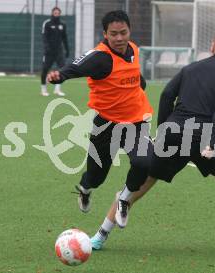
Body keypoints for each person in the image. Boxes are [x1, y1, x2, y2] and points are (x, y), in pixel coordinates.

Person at [90, 32, 215, 252]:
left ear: (213, 46)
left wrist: (163, 130)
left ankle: (99, 237)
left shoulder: (190, 68)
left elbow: (167, 95)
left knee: (142, 182)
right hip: (202, 135)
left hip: (173, 130)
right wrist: (212, 141)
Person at [47, 10, 153, 227]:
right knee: (96, 176)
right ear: (105, 34)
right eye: (114, 34)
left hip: (136, 121)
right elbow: (77, 66)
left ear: (129, 30)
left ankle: (124, 199)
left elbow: (134, 75)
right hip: (106, 125)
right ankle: (85, 189)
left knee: (145, 162)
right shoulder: (100, 57)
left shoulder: (133, 49)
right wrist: (60, 75)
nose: (120, 38)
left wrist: (140, 85)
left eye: (123, 32)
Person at [41, 7, 70, 97]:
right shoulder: (47, 23)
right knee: (45, 69)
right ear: (52, 13)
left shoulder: (62, 24)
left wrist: (67, 49)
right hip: (49, 52)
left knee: (62, 70)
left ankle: (57, 89)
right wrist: (47, 47)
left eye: (58, 13)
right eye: (55, 13)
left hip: (59, 51)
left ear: (60, 14)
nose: (56, 14)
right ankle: (43, 90)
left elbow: (65, 38)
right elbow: (44, 37)